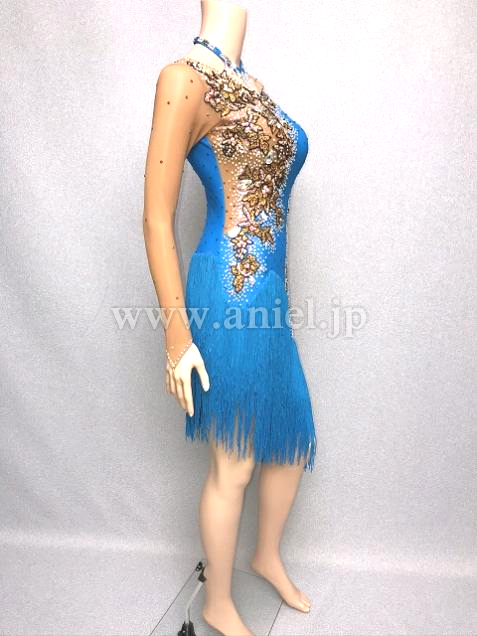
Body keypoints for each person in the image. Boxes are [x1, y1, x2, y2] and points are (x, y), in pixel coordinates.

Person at [143, 2, 317, 634]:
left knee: (289, 438)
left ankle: (265, 554)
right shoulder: (183, 79)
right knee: (236, 460)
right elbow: (157, 217)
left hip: (269, 296)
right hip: (227, 291)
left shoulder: (255, 88)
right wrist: (176, 335)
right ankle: (217, 602)